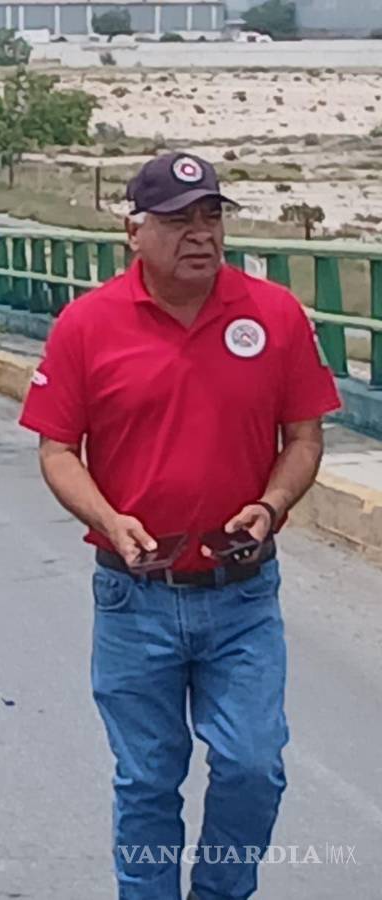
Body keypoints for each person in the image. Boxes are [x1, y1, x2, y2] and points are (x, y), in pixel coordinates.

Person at [18, 152, 341, 900]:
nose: (200, 235)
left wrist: (273, 504)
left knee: (253, 766)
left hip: (242, 596)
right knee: (147, 781)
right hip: (136, 597)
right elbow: (58, 449)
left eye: (211, 217)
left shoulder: (275, 315)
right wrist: (108, 517)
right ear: (134, 231)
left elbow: (305, 438)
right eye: (176, 221)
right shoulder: (88, 325)